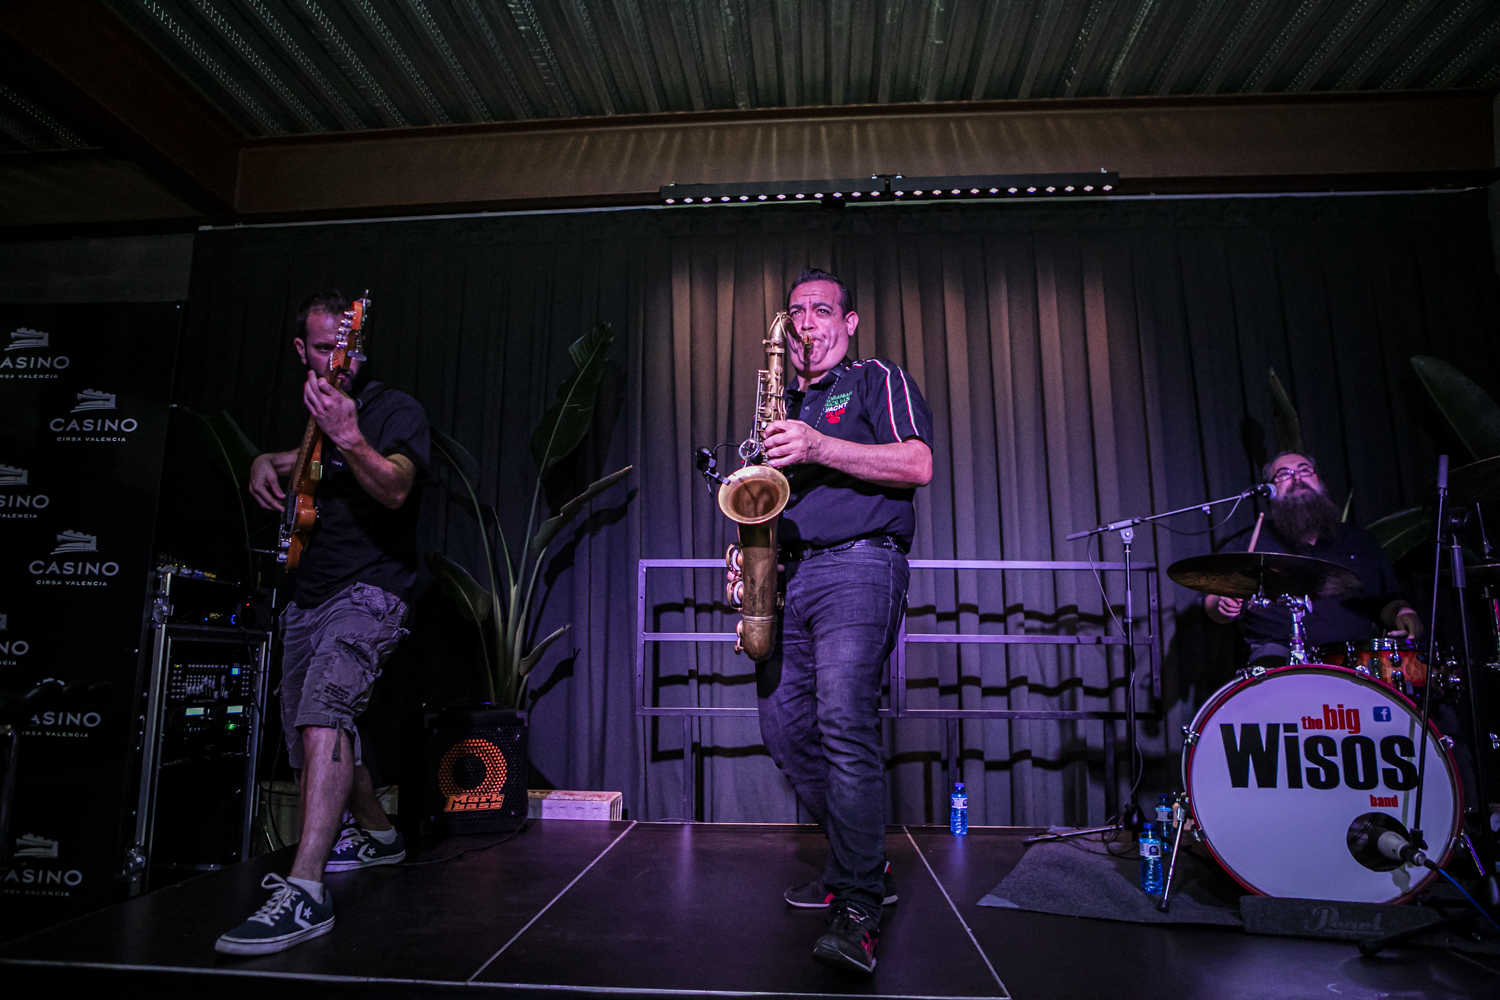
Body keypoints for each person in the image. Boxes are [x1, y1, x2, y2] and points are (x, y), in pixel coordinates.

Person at [730, 267, 934, 975]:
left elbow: (917, 464)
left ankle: (857, 906)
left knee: (845, 721)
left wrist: (817, 446)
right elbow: (761, 498)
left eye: (822, 310)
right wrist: (748, 556)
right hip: (791, 576)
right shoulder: (783, 404)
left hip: (861, 565)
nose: (807, 322)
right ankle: (861, 866)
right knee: (784, 728)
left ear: (849, 324)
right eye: (795, 312)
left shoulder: (877, 379)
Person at [216, 291, 430, 956]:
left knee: (324, 713)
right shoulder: (314, 417)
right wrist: (266, 461)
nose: (341, 359)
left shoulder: (392, 409)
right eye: (325, 347)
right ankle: (379, 834)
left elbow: (394, 485)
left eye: (350, 346)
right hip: (309, 597)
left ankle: (304, 891)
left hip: (372, 591)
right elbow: (306, 461)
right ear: (302, 353)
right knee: (314, 729)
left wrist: (349, 434)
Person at [1204, 451, 1422, 663]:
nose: (1297, 478)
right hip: (1276, 660)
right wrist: (1221, 605)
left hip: (1355, 661)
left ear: (1319, 481)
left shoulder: (1359, 541)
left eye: (1304, 470)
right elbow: (1212, 600)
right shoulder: (1252, 541)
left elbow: (1385, 600)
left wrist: (1402, 612)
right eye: (1284, 474)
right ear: (1270, 490)